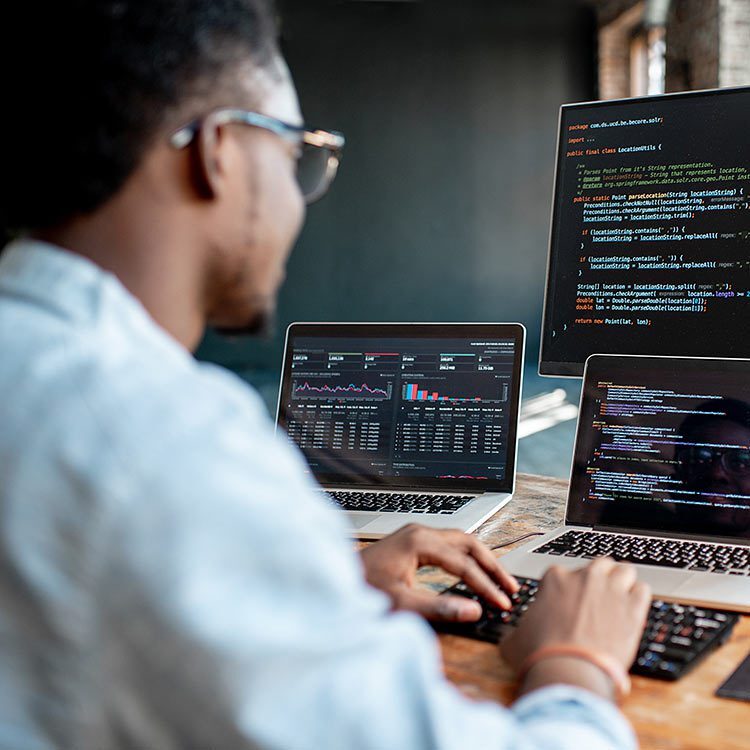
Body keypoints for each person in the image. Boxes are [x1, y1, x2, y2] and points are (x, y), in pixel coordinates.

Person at [0, 2, 650, 748]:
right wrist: (579, 662)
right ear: (218, 151)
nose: (299, 201)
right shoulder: (169, 445)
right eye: (295, 156)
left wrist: (320, 594)